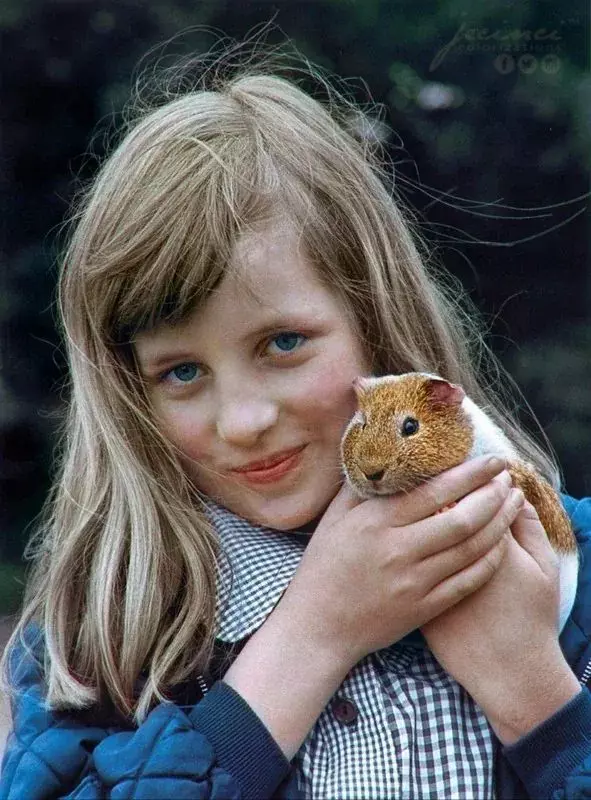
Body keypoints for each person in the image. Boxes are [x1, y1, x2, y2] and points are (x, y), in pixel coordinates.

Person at [1, 38, 591, 800]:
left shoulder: (568, 566)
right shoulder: (103, 634)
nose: (243, 421)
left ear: (374, 320)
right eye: (182, 372)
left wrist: (537, 698)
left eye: (282, 343)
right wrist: (311, 636)